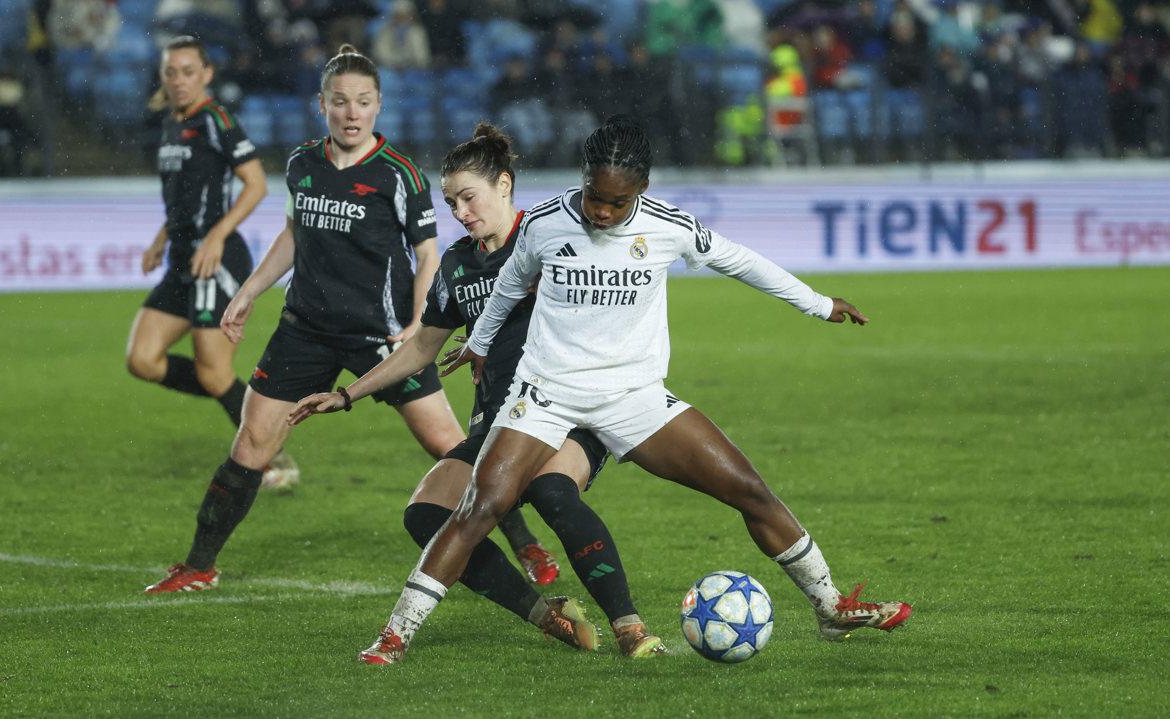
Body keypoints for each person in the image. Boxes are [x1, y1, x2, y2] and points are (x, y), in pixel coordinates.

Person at [342, 116, 913, 664]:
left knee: (748, 489)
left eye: (618, 202)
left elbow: (739, 261)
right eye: (595, 197)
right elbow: (510, 284)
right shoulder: (546, 223)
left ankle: (830, 606)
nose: (603, 211)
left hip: (633, 396)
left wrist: (818, 304)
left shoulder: (668, 225)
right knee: (478, 507)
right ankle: (394, 636)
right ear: (584, 179)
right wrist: (481, 342)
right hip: (547, 393)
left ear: (641, 189)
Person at [143, 45, 557, 594]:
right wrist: (249, 290)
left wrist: (417, 322)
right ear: (323, 106)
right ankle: (199, 565)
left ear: (378, 105)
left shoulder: (398, 174)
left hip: (381, 336)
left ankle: (526, 544)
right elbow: (293, 236)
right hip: (304, 332)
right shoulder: (302, 164)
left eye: (363, 101)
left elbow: (427, 255)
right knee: (251, 444)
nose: (351, 112)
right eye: (340, 101)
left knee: (449, 445)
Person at [288, 123, 664, 659]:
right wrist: (348, 394)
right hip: (497, 422)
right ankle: (546, 615)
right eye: (451, 203)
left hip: (569, 413)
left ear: (504, 184)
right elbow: (422, 347)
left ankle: (630, 629)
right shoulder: (458, 264)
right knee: (424, 513)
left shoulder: (554, 236)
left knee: (551, 491)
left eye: (469, 197)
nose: (460, 212)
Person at [124, 36, 297, 484]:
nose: (179, 80)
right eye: (171, 72)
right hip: (182, 260)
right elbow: (184, 198)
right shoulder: (171, 123)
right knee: (142, 359)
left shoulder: (216, 120)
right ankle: (256, 413)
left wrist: (217, 235)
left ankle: (272, 455)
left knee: (214, 371)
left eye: (188, 71)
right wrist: (161, 238)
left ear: (206, 74)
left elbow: (256, 184)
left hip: (215, 260)